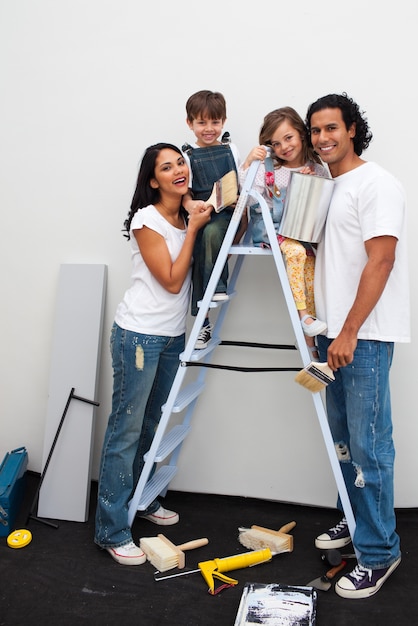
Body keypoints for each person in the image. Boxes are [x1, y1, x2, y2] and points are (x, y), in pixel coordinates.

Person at [306, 93, 410, 598]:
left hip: (363, 337)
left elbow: (381, 261)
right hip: (334, 334)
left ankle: (379, 553)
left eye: (332, 128)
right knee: (343, 444)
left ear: (352, 129)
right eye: (315, 130)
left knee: (370, 449)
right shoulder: (328, 186)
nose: (323, 138)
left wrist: (347, 332)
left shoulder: (377, 183)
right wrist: (323, 329)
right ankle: (356, 521)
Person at [94, 143, 212, 565]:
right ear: (153, 180)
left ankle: (142, 499)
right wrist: (195, 229)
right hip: (140, 340)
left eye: (180, 162)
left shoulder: (188, 213)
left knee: (153, 425)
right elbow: (172, 282)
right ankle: (111, 530)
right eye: (167, 167)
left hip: (171, 338)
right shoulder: (147, 221)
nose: (178, 170)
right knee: (126, 430)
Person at [239, 106, 329, 356]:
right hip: (271, 230)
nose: (284, 147)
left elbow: (318, 211)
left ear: (301, 133)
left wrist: (309, 185)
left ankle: (311, 345)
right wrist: (248, 162)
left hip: (300, 234)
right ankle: (304, 317)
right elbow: (247, 199)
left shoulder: (317, 169)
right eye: (276, 143)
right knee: (297, 253)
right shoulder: (268, 168)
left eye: (288, 138)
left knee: (311, 272)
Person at [182, 90, 245, 349]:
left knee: (210, 235)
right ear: (190, 124)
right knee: (198, 250)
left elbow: (241, 185)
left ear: (224, 121)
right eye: (202, 123)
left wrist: (235, 199)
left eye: (215, 122)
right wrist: (189, 203)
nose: (209, 129)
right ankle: (202, 323)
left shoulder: (231, 148)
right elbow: (184, 190)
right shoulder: (186, 155)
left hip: (228, 212)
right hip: (202, 212)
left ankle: (217, 285)